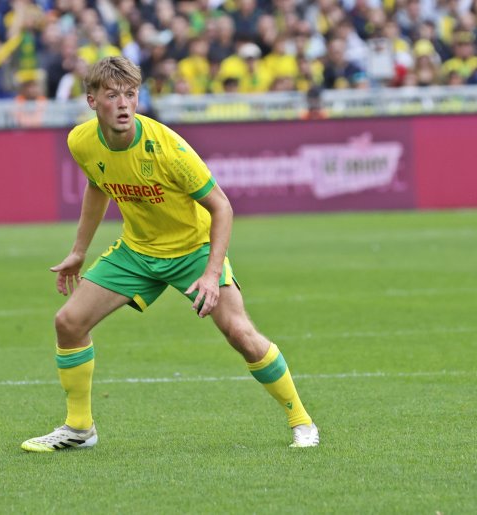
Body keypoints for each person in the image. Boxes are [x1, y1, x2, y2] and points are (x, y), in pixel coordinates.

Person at [20, 56, 319, 452]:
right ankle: (79, 429)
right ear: (93, 101)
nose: (124, 104)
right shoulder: (81, 141)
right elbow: (98, 184)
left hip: (193, 250)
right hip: (138, 250)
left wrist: (211, 275)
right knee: (69, 322)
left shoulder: (168, 148)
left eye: (130, 94)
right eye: (113, 95)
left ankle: (302, 422)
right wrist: (79, 251)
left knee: (241, 334)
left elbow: (222, 207)